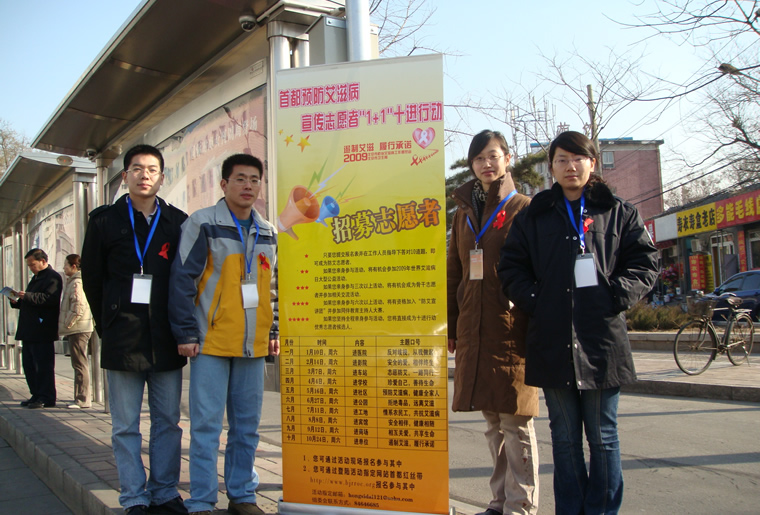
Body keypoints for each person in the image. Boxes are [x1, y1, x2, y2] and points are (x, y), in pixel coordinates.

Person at [498, 131, 658, 514]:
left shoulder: (618, 211)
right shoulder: (535, 215)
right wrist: (535, 301)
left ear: (592, 162)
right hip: (552, 341)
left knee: (603, 437)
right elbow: (510, 266)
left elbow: (646, 262)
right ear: (551, 167)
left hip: (601, 340)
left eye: (578, 159)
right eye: (562, 160)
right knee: (565, 438)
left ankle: (602, 510)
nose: (570, 167)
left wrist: (616, 295)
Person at [81, 144, 189, 515]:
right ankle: (134, 497)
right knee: (125, 425)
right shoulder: (104, 221)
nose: (145, 175)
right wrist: (107, 323)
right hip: (122, 336)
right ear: (125, 175)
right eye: (138, 168)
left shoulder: (177, 222)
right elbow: (92, 279)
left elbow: (186, 280)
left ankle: (164, 491)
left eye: (153, 169)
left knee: (168, 422)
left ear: (162, 177)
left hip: (165, 336)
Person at [169, 153, 279, 515]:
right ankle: (202, 500)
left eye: (254, 180)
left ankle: (242, 496)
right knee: (206, 427)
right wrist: (186, 333)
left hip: (252, 346)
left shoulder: (268, 232)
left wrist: (273, 330)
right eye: (240, 179)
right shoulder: (202, 223)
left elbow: (272, 287)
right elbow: (183, 280)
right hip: (210, 343)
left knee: (247, 428)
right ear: (224, 184)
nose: (248, 186)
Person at [447, 130, 539, 515]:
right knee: (492, 422)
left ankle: (521, 505)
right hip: (474, 328)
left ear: (507, 158)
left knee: (515, 420)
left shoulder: (524, 208)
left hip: (511, 328)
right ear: (472, 164)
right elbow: (455, 271)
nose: (486, 164)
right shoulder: (464, 214)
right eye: (479, 158)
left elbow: (537, 270)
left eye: (493, 155)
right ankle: (498, 502)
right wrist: (453, 326)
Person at [11, 248, 63, 409]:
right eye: (29, 265)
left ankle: (46, 396)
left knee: (43, 365)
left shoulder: (52, 277)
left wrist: (27, 296)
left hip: (42, 329)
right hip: (29, 329)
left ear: (43, 261)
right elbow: (32, 301)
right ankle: (36, 394)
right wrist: (17, 301)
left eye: (32, 264)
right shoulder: (36, 278)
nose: (31, 268)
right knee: (29, 364)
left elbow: (49, 299)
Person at [58, 253, 94, 409]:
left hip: (78, 328)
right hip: (79, 327)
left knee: (79, 364)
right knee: (79, 363)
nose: (64, 268)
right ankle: (81, 398)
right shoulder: (75, 281)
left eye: (65, 265)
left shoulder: (76, 282)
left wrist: (68, 323)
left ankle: (82, 399)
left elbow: (78, 306)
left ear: (73, 266)